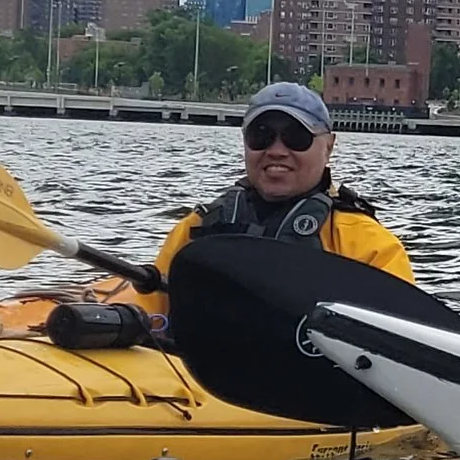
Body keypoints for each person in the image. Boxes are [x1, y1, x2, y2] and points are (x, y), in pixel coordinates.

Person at [137, 82, 413, 314]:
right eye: (262, 136)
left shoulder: (369, 246)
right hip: (192, 369)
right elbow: (145, 305)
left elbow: (406, 334)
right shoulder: (197, 228)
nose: (277, 150)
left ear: (328, 147)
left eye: (296, 137)